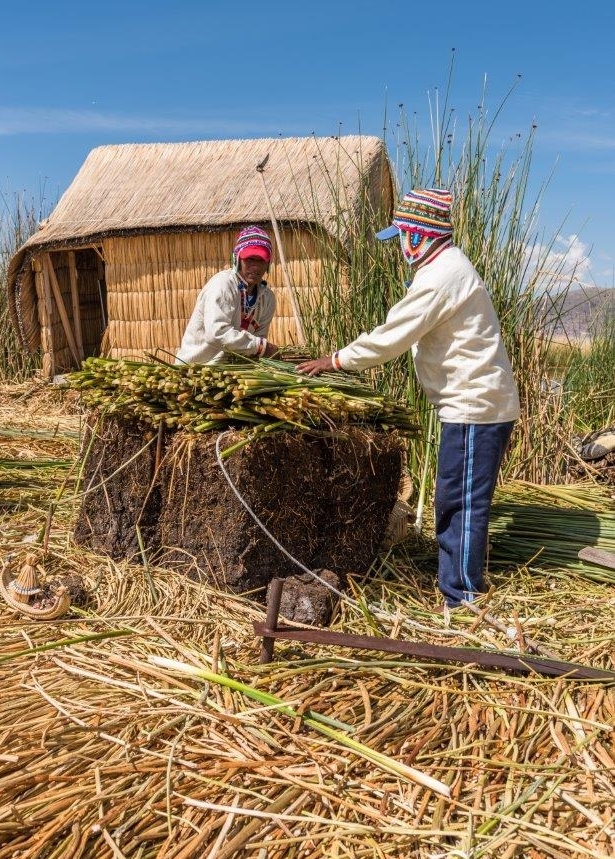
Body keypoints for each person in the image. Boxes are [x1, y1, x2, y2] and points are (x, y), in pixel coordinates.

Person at [297, 188, 520, 610]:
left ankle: (463, 597)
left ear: (418, 235)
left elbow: (393, 335)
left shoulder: (442, 276)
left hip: (476, 407)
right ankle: (459, 584)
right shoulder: (442, 269)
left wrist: (337, 360)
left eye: (401, 235)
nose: (400, 246)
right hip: (472, 405)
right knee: (455, 498)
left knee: (461, 503)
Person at [176, 225, 279, 364]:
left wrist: (261, 349)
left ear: (268, 263)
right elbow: (216, 333)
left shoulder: (267, 298)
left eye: (261, 260)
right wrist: (261, 347)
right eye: (249, 259)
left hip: (232, 370)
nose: (255, 266)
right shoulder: (222, 285)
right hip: (196, 367)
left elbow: (258, 344)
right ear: (237, 259)